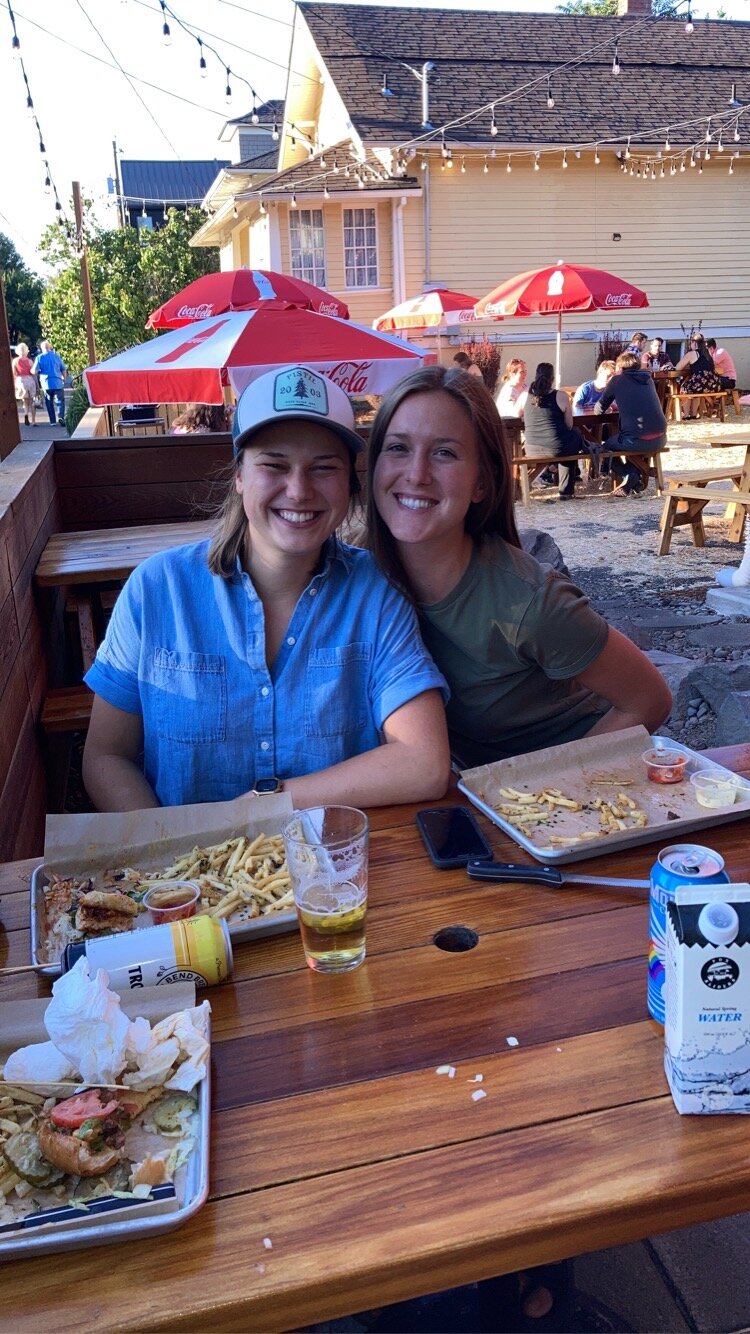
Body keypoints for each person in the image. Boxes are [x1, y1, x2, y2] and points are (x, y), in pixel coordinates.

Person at [82, 364, 450, 811]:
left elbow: (423, 762)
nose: (298, 490)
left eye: (323, 468)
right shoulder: (157, 589)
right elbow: (106, 757)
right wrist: (167, 845)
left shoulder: (376, 594)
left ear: (349, 484)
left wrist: (263, 804)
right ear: (239, 475)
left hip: (334, 854)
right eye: (274, 465)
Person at [367, 364, 672, 770]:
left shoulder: (529, 602)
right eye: (398, 448)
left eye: (444, 453)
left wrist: (544, 784)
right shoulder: (355, 573)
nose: (416, 474)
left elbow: (649, 700)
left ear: (482, 482)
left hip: (566, 781)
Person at [593, 351, 667, 496]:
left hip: (635, 440)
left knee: (605, 447)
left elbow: (598, 410)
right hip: (661, 438)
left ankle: (629, 474)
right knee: (628, 439)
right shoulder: (648, 380)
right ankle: (634, 478)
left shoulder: (617, 380)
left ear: (620, 368)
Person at [522, 362, 587, 500]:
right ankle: (566, 491)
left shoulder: (526, 395)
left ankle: (551, 469)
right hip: (556, 447)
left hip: (531, 447)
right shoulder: (560, 395)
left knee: (567, 441)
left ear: (536, 376)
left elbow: (518, 413)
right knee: (574, 437)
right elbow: (569, 425)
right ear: (552, 378)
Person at [674, 333, 722, 417]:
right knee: (695, 388)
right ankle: (694, 414)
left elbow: (677, 368)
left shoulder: (692, 354)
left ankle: (686, 415)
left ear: (694, 343)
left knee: (685, 388)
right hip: (714, 384)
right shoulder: (708, 353)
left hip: (700, 383)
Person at [33, 339, 67, 426]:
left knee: (49, 402)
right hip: (57, 382)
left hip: (46, 383)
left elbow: (34, 371)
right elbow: (63, 369)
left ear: (41, 348)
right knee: (60, 401)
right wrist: (64, 378)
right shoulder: (57, 357)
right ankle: (61, 417)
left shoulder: (39, 358)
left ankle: (52, 421)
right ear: (50, 347)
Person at [12, 342, 37, 425]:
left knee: (25, 401)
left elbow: (14, 373)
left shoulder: (15, 361)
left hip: (20, 381)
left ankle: (26, 414)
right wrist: (37, 385)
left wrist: (14, 384)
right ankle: (33, 421)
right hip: (30, 380)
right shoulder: (30, 361)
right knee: (32, 401)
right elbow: (33, 373)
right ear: (26, 351)